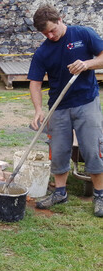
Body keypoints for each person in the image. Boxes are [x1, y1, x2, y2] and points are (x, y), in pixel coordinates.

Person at [28, 4, 103, 217]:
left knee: (92, 149)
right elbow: (34, 83)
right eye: (45, 33)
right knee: (59, 151)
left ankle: (100, 195)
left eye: (52, 30)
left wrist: (87, 64)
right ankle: (60, 192)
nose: (50, 35)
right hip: (59, 108)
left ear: (60, 20)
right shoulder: (43, 51)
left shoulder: (83, 34)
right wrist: (38, 110)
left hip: (86, 103)